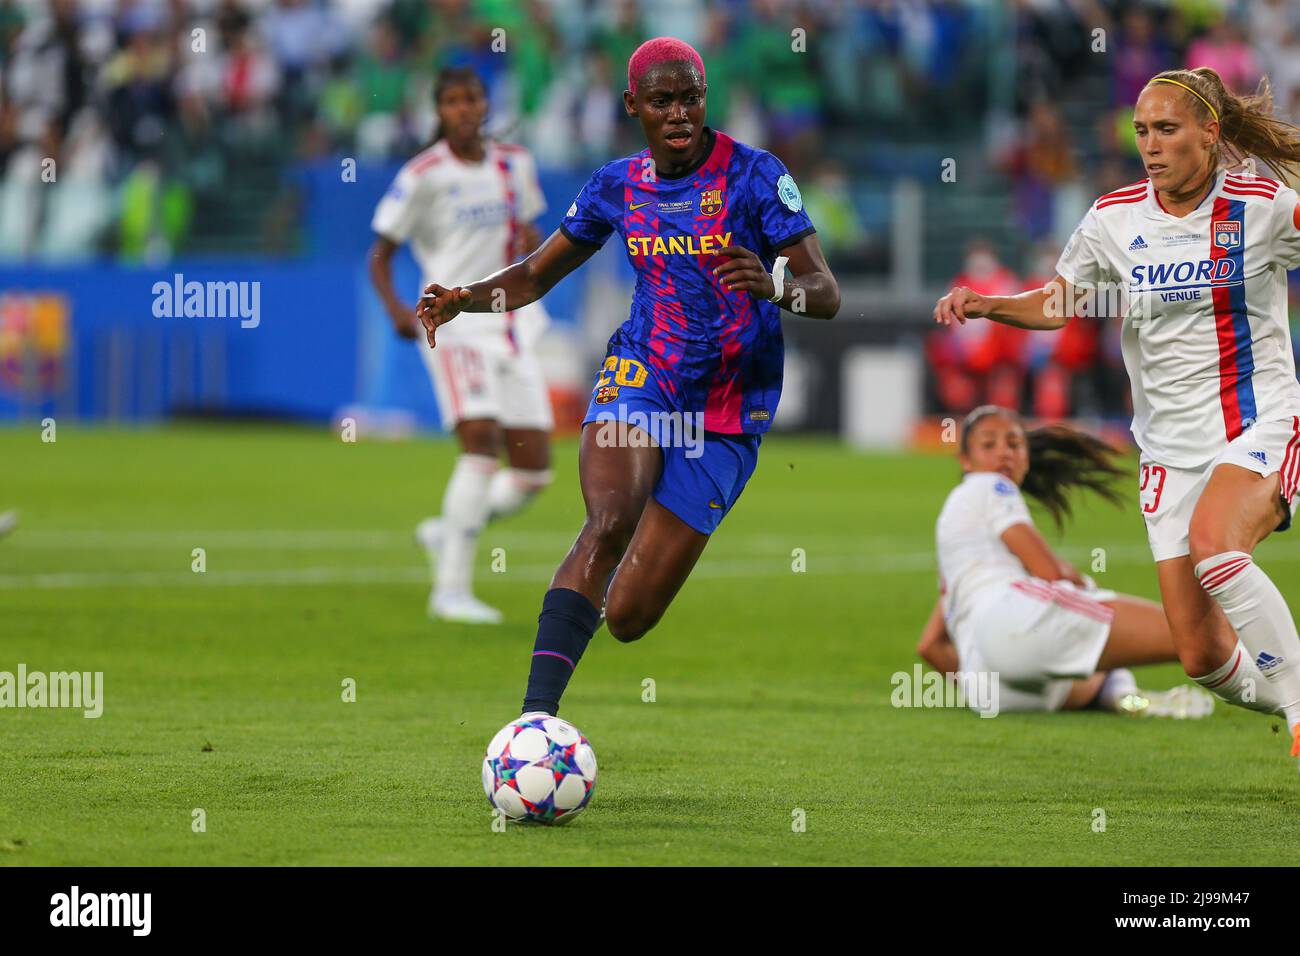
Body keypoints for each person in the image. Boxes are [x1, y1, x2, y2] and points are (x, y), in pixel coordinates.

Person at [418, 37, 840, 718]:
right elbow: (534, 274)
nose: (680, 113)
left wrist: (776, 285)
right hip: (642, 373)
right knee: (609, 520)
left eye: (692, 98)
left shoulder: (757, 176)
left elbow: (826, 291)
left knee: (630, 617)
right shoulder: (616, 185)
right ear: (632, 105)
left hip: (730, 407)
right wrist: (465, 298)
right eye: (663, 100)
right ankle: (533, 724)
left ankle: (593, 609)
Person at [934, 68, 1300, 755]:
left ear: (1210, 133)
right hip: (1167, 452)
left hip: (1257, 424)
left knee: (1217, 545)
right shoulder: (1114, 217)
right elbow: (1058, 300)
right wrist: (990, 305)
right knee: (1202, 657)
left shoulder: (1259, 204)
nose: (1152, 145)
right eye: (1142, 131)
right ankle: (1290, 694)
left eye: (1168, 129)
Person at [369, 66, 554, 625]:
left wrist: (527, 250)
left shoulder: (514, 164)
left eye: (472, 98)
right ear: (438, 110)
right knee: (480, 444)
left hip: (511, 325)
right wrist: (398, 311)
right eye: (452, 101)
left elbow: (529, 239)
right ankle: (450, 591)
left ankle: (446, 531)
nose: (465, 109)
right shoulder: (423, 174)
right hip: (453, 325)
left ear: (485, 104)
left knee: (532, 474)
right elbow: (381, 253)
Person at [917, 406, 1215, 718]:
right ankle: (1258, 661)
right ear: (965, 460)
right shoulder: (990, 485)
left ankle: (1124, 695)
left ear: (1027, 456)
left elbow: (929, 646)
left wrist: (975, 684)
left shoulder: (957, 545)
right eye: (989, 445)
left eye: (1014, 444)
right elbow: (1049, 572)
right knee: (1190, 633)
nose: (1004, 453)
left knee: (1087, 664)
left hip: (988, 688)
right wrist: (1080, 582)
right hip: (1006, 623)